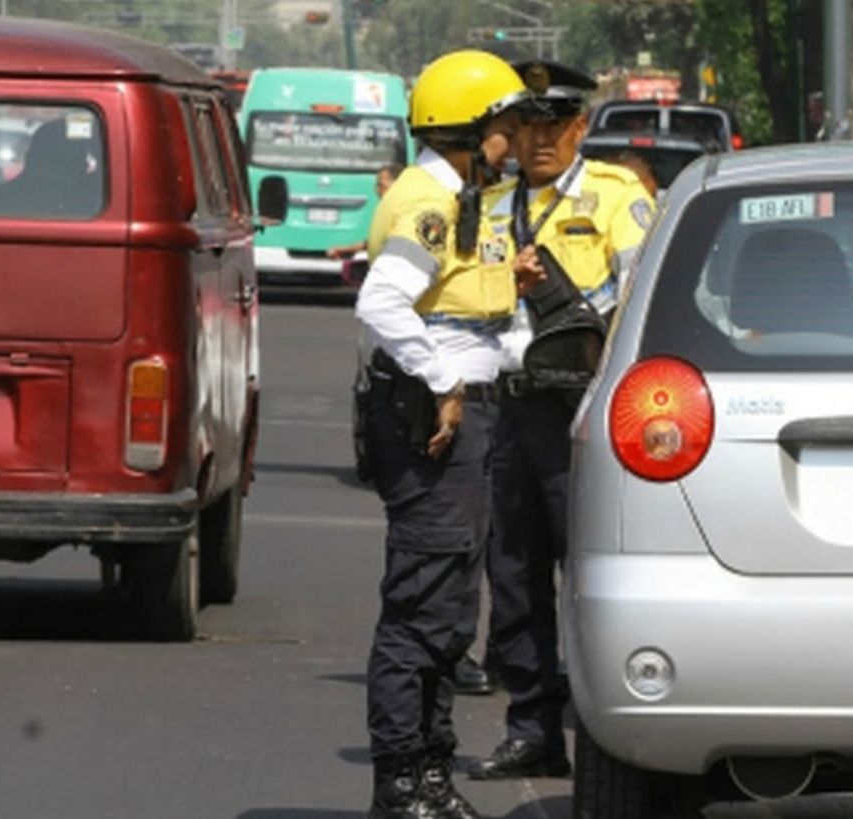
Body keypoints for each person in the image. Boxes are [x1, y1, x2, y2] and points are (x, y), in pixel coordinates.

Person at [467, 61, 656, 782]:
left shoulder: (614, 197)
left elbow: (640, 297)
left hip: (576, 408)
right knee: (513, 573)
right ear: (509, 133)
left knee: (586, 570)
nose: (541, 140)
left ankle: (603, 731)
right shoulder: (488, 205)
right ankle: (531, 729)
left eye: (556, 125)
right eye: (527, 125)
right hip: (507, 405)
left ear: (581, 127)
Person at [354, 49, 527, 819]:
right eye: (505, 126)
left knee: (452, 608)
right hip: (433, 417)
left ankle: (429, 774)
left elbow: (466, 313)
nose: (514, 141)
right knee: (422, 603)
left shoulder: (462, 197)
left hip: (469, 414)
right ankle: (400, 783)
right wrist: (444, 381)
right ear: (470, 129)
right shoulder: (428, 200)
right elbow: (382, 303)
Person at [327, 163, 405, 260]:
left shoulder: (402, 211)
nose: (376, 190)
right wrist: (343, 250)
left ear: (396, 185)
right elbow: (371, 242)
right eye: (376, 186)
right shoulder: (386, 209)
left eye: (381, 186)